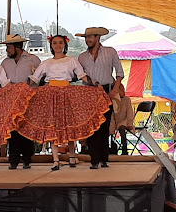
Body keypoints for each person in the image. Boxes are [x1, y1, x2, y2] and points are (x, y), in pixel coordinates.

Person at [19, 35, 110, 171]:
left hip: (67, 94)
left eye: (60, 43)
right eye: (55, 43)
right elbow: (35, 78)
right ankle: (55, 159)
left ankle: (72, 156)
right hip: (50, 95)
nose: (57, 45)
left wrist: (95, 84)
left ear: (64, 44)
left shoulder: (71, 60)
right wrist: (21, 89)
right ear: (51, 45)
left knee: (70, 123)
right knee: (53, 126)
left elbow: (82, 75)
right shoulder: (46, 62)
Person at [77, 27, 124, 169]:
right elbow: (80, 75)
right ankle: (94, 160)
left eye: (90, 37)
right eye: (86, 38)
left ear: (98, 37)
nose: (87, 40)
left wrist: (114, 90)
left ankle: (104, 158)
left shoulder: (110, 52)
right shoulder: (82, 56)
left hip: (107, 89)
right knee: (91, 126)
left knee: (104, 125)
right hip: (89, 91)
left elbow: (120, 73)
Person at [0, 34, 41, 169]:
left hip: (28, 99)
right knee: (13, 129)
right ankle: (14, 159)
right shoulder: (5, 63)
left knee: (27, 128)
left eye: (9, 47)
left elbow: (42, 76)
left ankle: (27, 158)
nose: (7, 49)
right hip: (11, 100)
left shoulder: (33, 60)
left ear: (17, 47)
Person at [110, 84, 135, 155]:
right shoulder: (113, 100)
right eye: (121, 90)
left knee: (122, 128)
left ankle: (125, 148)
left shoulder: (127, 100)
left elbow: (130, 113)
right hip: (114, 121)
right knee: (108, 129)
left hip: (125, 121)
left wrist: (130, 123)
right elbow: (112, 115)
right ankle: (112, 147)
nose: (124, 92)